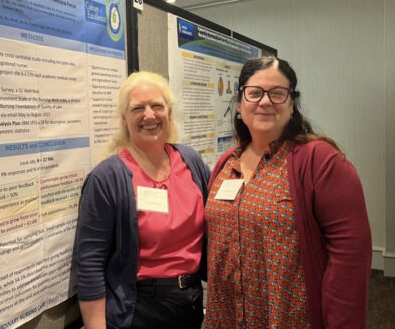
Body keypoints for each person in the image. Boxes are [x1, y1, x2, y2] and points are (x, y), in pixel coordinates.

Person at [204, 56, 372, 328]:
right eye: (255, 93)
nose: (265, 101)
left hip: (289, 318)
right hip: (228, 317)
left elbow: (350, 259)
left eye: (278, 93)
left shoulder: (320, 161)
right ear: (239, 103)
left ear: (292, 104)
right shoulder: (226, 164)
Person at [75, 71, 210, 329]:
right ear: (125, 118)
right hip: (137, 310)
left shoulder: (191, 161)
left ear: (169, 113)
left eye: (157, 106)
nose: (149, 115)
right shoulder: (107, 178)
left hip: (190, 304)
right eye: (138, 108)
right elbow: (90, 260)